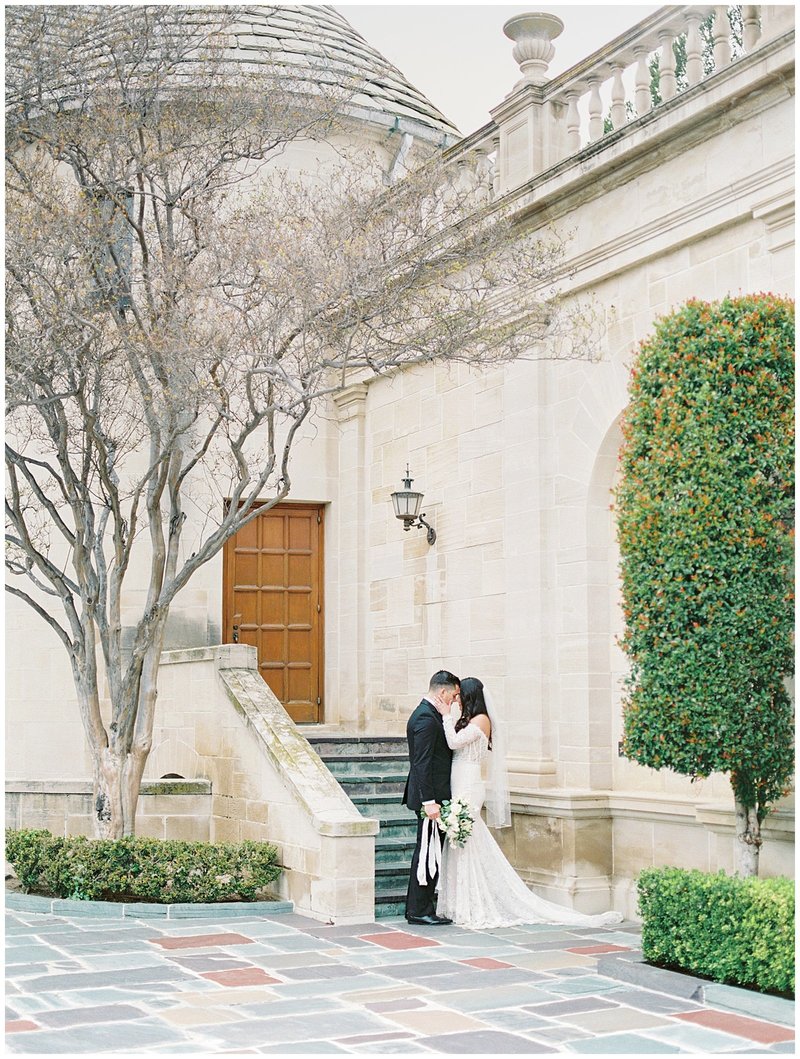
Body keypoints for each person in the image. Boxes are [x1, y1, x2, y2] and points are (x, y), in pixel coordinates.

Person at [433, 677, 624, 929]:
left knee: (468, 839)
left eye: (459, 696)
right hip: (458, 781)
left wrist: (445, 715)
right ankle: (458, 902)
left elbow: (454, 742)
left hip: (468, 784)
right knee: (461, 842)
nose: (455, 699)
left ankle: (474, 903)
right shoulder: (467, 720)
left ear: (470, 697)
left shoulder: (482, 720)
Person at [402, 669, 461, 925]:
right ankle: (420, 910)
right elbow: (422, 763)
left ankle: (418, 908)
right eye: (454, 695)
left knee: (428, 851)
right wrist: (429, 802)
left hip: (433, 797)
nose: (455, 701)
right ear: (443, 692)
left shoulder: (427, 714)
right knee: (427, 853)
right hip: (431, 799)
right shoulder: (425, 719)